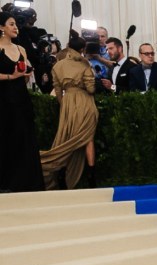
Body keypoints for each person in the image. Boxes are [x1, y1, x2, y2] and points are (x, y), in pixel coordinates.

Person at [39, 36, 98, 189]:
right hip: (85, 102)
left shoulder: (58, 66)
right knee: (88, 139)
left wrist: (64, 104)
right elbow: (91, 89)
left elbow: (57, 89)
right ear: (82, 49)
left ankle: (61, 173)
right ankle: (92, 177)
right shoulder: (85, 64)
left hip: (68, 103)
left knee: (66, 137)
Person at [0, 12, 44, 192]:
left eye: (16, 24)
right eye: (11, 24)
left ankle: (26, 182)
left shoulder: (21, 50)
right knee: (4, 137)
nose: (15, 27)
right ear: (1, 27)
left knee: (24, 138)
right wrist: (12, 76)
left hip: (20, 98)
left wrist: (25, 75)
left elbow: (25, 78)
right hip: (2, 99)